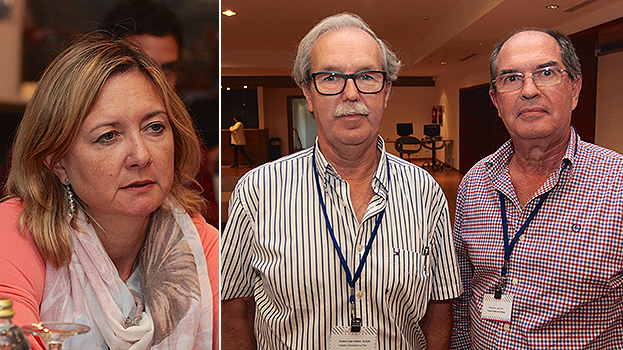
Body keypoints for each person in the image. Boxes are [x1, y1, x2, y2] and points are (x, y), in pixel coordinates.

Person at [221, 13, 461, 349]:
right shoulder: (257, 192)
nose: (351, 93)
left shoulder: (425, 192)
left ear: (386, 91)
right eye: (331, 77)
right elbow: (235, 308)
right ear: (308, 92)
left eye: (366, 76)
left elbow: (439, 306)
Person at [0, 33, 218, 349]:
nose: (141, 155)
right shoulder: (15, 230)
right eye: (108, 137)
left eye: (154, 127)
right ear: (58, 162)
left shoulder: (199, 242)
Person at [451, 28, 623, 349]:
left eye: (546, 73)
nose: (529, 90)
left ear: (575, 89)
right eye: (511, 79)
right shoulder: (474, 183)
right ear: (496, 100)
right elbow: (463, 297)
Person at [103, 0, 221, 227]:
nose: (158, 81)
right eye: (143, 66)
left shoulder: (187, 144)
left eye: (167, 69)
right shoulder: (63, 129)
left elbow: (206, 223)